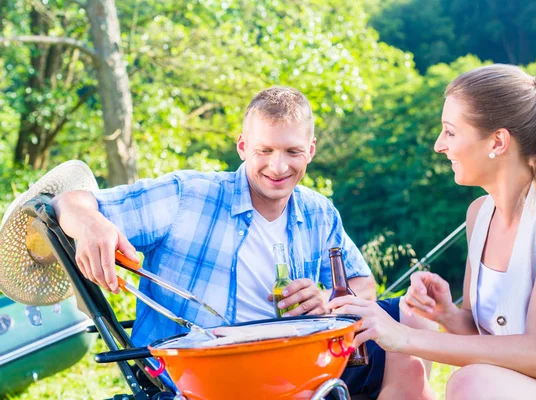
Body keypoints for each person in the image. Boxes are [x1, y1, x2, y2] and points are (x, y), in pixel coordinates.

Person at [51, 86, 434, 399]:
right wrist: (87, 222)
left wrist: (330, 303)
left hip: (299, 359)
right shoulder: (189, 196)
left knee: (413, 328)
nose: (278, 167)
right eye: (264, 151)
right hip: (207, 372)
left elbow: (362, 283)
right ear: (242, 147)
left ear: (311, 151)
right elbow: (67, 201)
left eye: (292, 152)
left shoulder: (318, 212)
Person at [330, 64, 536, 400]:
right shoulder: (479, 214)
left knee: (470, 382)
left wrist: (400, 335)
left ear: (498, 141)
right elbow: (484, 336)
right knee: (413, 323)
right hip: (516, 387)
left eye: (450, 132)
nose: (438, 145)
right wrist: (447, 314)